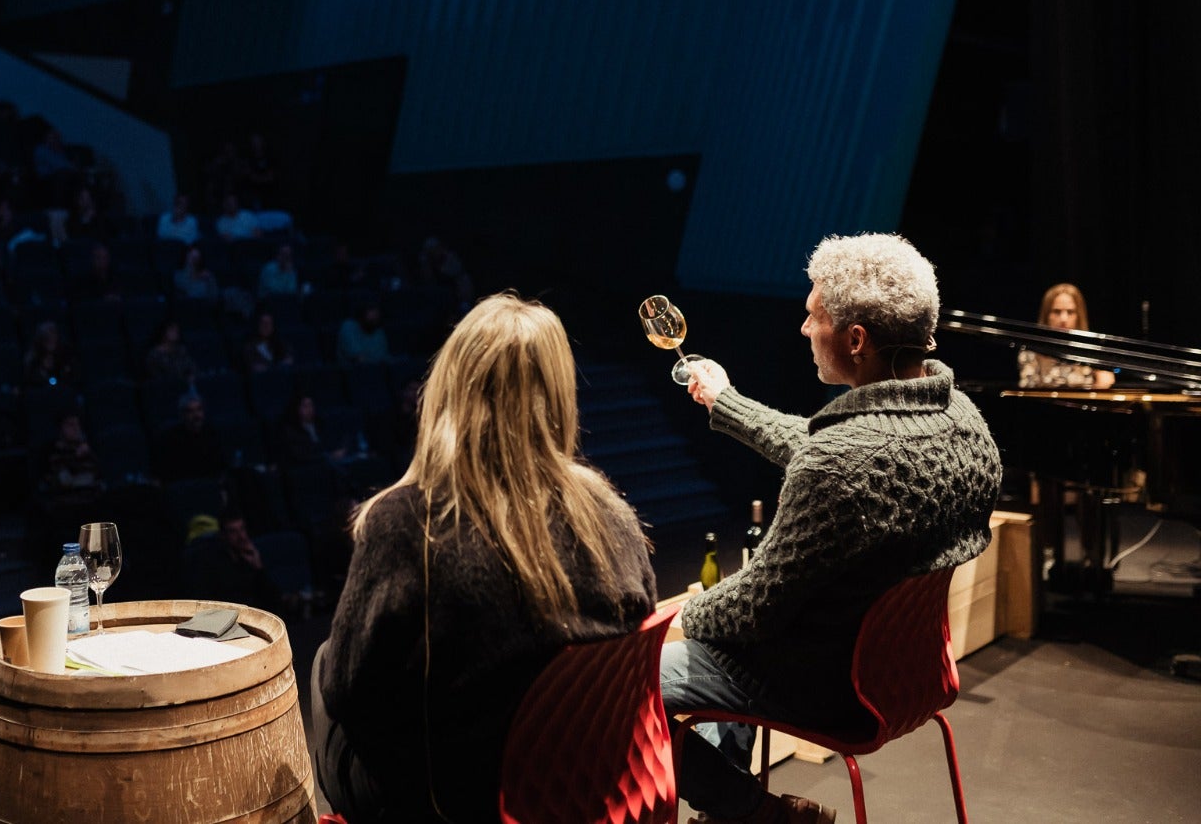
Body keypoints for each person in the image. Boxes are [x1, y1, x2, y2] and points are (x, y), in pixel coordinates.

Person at [662, 232, 1003, 824]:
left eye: (811, 313)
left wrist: (669, 623)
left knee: (624, 689)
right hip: (911, 676)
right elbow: (830, 451)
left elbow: (750, 610)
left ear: (856, 339)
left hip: (828, 688)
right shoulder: (963, 422)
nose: (802, 328)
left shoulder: (841, 463)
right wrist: (725, 400)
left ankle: (755, 812)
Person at [311, 292, 659, 823]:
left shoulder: (406, 521)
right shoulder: (610, 512)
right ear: (559, 396)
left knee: (321, 665)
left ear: (449, 388)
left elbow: (350, 695)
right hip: (596, 789)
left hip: (458, 801)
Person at [181, 504, 286, 614]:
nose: (241, 537)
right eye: (233, 531)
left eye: (242, 529)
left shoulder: (249, 557)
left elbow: (273, 599)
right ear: (223, 535)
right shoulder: (211, 563)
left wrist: (258, 567)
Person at [1017, 282, 1116, 389]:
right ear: (1046, 315)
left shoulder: (1093, 351)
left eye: (1070, 312)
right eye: (1056, 312)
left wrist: (1103, 383)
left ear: (1079, 315)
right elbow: (1028, 391)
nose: (1063, 319)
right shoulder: (1031, 352)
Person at [151, 391, 231, 486]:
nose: (196, 415)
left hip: (209, 487)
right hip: (182, 488)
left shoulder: (212, 434)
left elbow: (222, 467)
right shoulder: (170, 438)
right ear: (182, 415)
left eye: (199, 410)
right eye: (190, 411)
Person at [22, 318, 79, 389]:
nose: (51, 338)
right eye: (47, 336)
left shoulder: (66, 357)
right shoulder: (32, 360)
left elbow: (71, 380)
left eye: (53, 333)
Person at [335, 298, 392, 365]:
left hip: (377, 371)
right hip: (354, 373)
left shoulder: (379, 331)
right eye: (371, 310)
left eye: (377, 310)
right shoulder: (349, 327)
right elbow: (360, 360)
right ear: (361, 312)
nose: (375, 314)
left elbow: (383, 358)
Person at [143, 318, 199, 385]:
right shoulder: (154, 354)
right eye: (172, 330)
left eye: (177, 330)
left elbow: (191, 366)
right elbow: (155, 376)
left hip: (184, 385)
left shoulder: (181, 350)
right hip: (164, 388)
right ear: (163, 332)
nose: (175, 333)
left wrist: (191, 375)